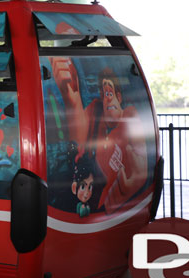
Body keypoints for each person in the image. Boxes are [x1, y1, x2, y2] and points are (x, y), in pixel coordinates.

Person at [50, 58, 148, 214]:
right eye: (104, 95)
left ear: (119, 97)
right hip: (93, 196)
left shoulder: (130, 116)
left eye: (109, 93)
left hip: (111, 205)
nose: (107, 99)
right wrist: (73, 100)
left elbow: (140, 165)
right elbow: (79, 136)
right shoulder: (96, 110)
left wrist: (137, 179)